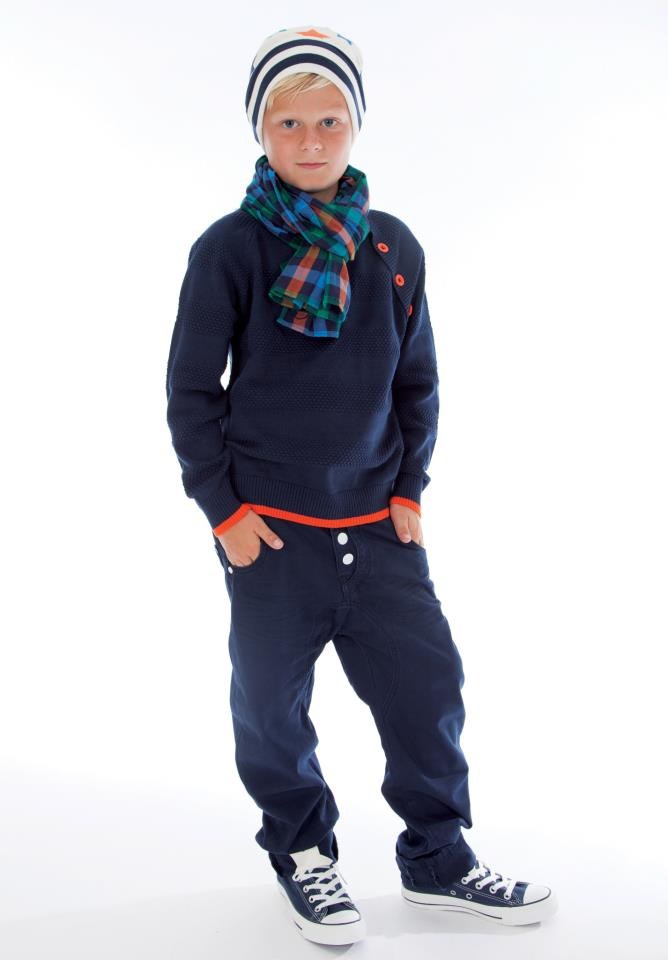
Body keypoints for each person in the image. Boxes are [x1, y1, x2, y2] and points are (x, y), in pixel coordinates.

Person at [165, 24, 558, 947]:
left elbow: (417, 381)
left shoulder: (391, 247)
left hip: (378, 527)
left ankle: (438, 858)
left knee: (428, 685)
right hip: (272, 532)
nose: (311, 140)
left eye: (330, 121)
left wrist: (409, 488)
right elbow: (190, 392)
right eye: (289, 122)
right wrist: (224, 510)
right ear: (261, 131)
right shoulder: (231, 249)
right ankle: (304, 853)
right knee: (271, 707)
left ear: (355, 126)